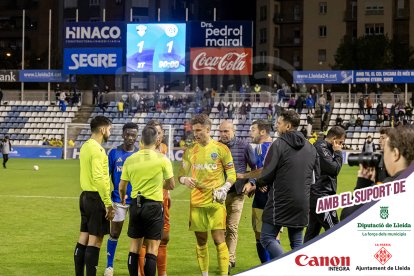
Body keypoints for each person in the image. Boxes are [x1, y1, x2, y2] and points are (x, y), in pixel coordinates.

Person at [178, 114, 236, 276]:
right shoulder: (190, 151)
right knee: (201, 241)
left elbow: (232, 173)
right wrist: (184, 179)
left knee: (219, 240)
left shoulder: (221, 149)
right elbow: (181, 174)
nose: (195, 134)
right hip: (196, 202)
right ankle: (205, 274)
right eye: (194, 131)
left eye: (199, 131)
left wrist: (225, 187)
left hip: (215, 201)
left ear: (208, 130)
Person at [256, 110, 320, 259]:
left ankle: (287, 265)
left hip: (280, 201)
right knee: (297, 243)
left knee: (266, 238)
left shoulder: (278, 144)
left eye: (279, 123)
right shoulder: (311, 148)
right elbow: (315, 177)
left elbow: (267, 173)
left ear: (288, 126)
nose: (277, 126)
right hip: (302, 201)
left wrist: (260, 183)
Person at [119, 125, 175, 276]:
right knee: (152, 248)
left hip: (135, 205)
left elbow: (122, 185)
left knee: (134, 247)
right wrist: (159, 184)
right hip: (154, 206)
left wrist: (123, 198)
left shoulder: (130, 159)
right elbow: (171, 185)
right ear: (157, 140)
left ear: (141, 140)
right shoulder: (163, 159)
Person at [341, 125, 414, 220]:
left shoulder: (388, 188)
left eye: (387, 152)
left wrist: (362, 183)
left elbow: (346, 216)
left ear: (395, 154)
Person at [74, 116, 115, 276]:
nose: (110, 132)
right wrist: (108, 203)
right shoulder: (98, 150)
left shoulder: (85, 146)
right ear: (103, 129)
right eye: (109, 129)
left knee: (83, 237)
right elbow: (99, 178)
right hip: (96, 198)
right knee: (96, 240)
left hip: (84, 197)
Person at [218, 121, 256, 272]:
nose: (223, 134)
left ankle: (229, 259)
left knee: (232, 227)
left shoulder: (245, 146)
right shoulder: (216, 147)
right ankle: (225, 257)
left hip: (237, 193)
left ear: (233, 131)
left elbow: (255, 167)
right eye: (221, 131)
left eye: (226, 131)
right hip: (219, 194)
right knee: (220, 229)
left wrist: (251, 181)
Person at [104, 123, 139, 276]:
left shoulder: (139, 154)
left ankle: (137, 268)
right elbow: (106, 177)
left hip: (136, 202)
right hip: (118, 201)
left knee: (137, 235)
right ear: (123, 134)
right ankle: (109, 266)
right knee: (115, 233)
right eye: (128, 134)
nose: (130, 137)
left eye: (133, 135)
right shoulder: (113, 153)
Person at [138, 120, 171, 276]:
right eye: (155, 132)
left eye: (160, 132)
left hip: (163, 197)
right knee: (146, 240)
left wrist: (168, 193)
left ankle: (162, 272)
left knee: (164, 237)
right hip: (149, 199)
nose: (158, 136)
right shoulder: (143, 150)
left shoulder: (164, 148)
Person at [304, 126, 345, 243]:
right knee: (334, 230)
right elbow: (334, 169)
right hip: (321, 196)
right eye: (340, 142)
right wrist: (338, 152)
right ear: (334, 139)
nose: (341, 145)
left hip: (318, 194)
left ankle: (302, 257)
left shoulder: (325, 148)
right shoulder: (320, 148)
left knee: (311, 235)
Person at [244, 119, 275, 263]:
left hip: (272, 197)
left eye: (253, 130)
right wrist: (252, 182)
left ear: (262, 132)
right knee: (259, 236)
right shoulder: (256, 148)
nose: (251, 133)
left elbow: (275, 172)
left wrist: (260, 183)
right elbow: (257, 170)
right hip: (259, 198)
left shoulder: (275, 147)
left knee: (272, 236)